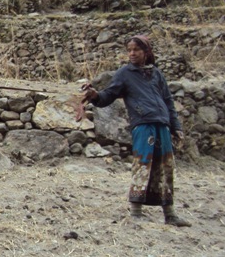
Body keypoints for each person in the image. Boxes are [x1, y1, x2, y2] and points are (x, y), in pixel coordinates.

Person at [81, 35, 191, 226]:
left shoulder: (156, 74)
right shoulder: (125, 74)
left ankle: (170, 214)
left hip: (162, 124)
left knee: (166, 167)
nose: (132, 53)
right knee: (142, 163)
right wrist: (94, 95)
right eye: (129, 50)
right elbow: (108, 95)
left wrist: (176, 126)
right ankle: (136, 211)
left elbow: (168, 102)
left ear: (146, 52)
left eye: (136, 50)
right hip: (143, 124)